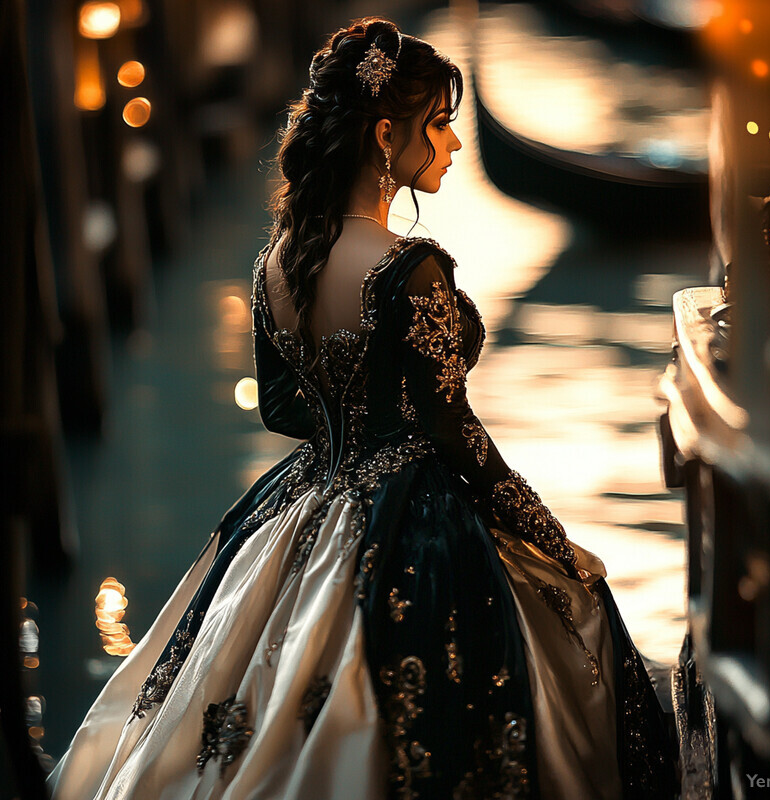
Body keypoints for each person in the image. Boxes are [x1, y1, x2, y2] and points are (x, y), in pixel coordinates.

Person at [48, 17, 675, 800]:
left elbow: (282, 408)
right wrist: (551, 535)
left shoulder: (277, 260)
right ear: (386, 134)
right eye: (439, 126)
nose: (450, 145)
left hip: (304, 505)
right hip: (417, 523)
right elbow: (455, 435)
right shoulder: (409, 270)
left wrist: (354, 429)